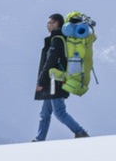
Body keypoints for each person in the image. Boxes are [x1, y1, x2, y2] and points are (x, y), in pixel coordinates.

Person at [34, 12, 90, 141]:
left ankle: (80, 132)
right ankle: (39, 139)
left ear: (58, 23)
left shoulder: (57, 40)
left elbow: (50, 62)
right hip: (52, 80)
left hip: (55, 81)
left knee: (59, 112)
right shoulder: (59, 39)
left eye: (50, 22)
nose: (48, 25)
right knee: (44, 113)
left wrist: (41, 81)